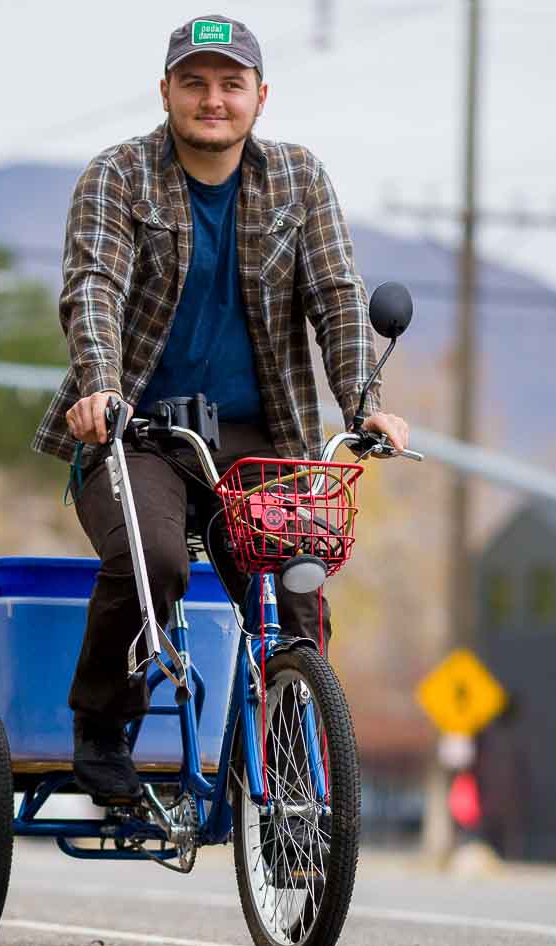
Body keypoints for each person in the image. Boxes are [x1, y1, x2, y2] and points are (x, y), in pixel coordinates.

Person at [32, 13, 410, 801]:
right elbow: (92, 287)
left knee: (297, 590)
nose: (213, 100)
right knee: (156, 564)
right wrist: (100, 385)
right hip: (134, 430)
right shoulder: (119, 175)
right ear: (165, 90)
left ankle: (288, 776)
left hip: (258, 437)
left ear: (259, 97)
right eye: (195, 82)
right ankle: (102, 726)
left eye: (230, 84)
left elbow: (338, 299)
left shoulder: (299, 179)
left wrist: (366, 404)